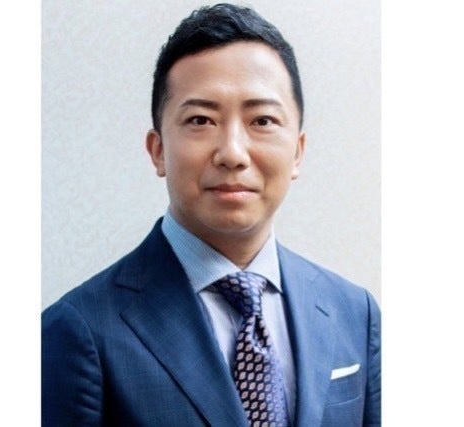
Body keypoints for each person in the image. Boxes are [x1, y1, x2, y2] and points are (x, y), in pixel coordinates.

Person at [42, 3, 380, 426]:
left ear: (297, 151)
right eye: (201, 120)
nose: (233, 153)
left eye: (262, 120)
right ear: (158, 150)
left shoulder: (354, 312)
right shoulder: (80, 330)